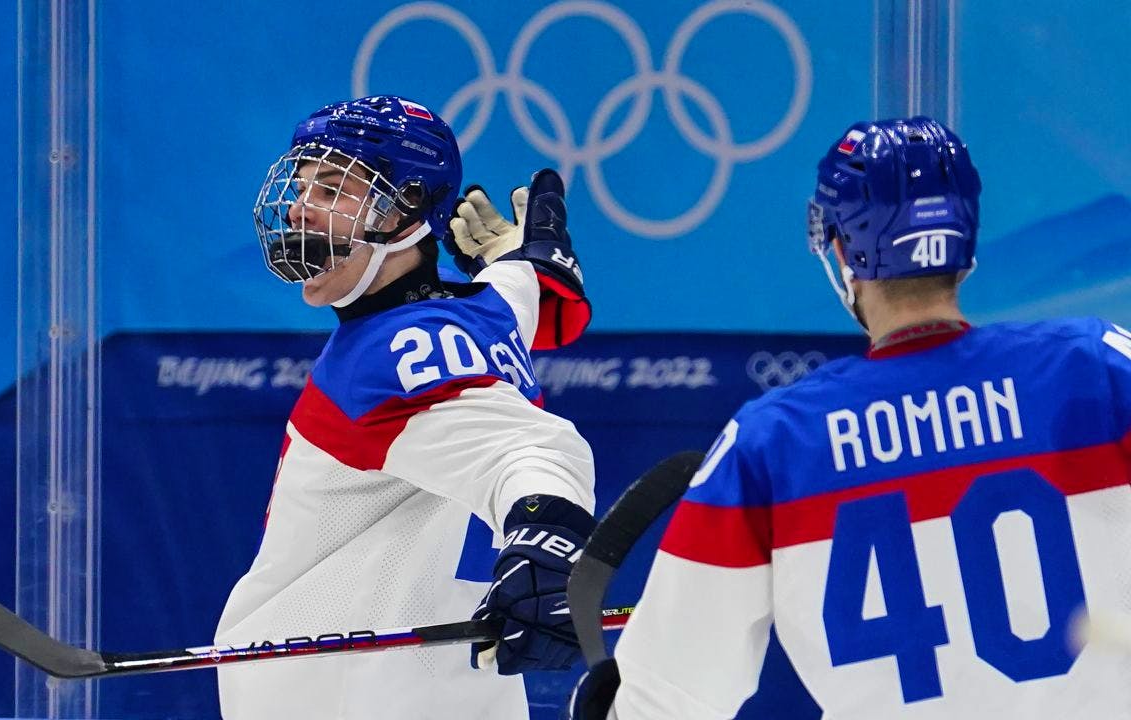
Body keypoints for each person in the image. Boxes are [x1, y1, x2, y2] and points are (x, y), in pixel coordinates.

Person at [568, 117, 1131, 719]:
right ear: (964, 239)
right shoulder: (1099, 366)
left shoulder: (773, 443)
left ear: (841, 250)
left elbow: (665, 700)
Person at [214, 95, 598, 720]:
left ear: (407, 208)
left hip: (346, 698)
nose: (300, 208)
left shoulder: (388, 352)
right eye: (302, 186)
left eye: (333, 187)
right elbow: (511, 301)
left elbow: (532, 450)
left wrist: (546, 536)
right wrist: (521, 266)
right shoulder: (486, 316)